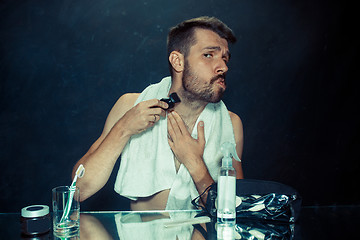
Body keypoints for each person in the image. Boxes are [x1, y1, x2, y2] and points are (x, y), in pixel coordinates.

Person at [72, 16, 244, 211]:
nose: (223, 67)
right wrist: (123, 128)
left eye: (225, 58)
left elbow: (237, 211)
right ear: (177, 61)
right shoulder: (130, 105)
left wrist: (195, 163)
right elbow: (80, 190)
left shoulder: (231, 124)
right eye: (208, 55)